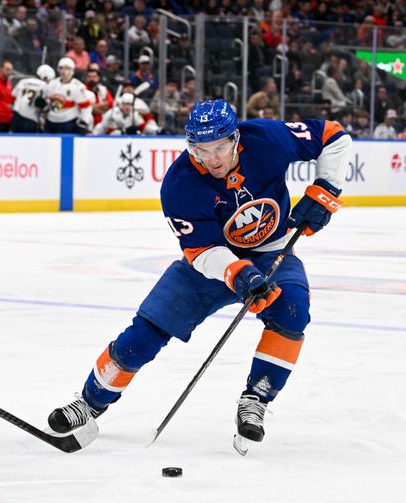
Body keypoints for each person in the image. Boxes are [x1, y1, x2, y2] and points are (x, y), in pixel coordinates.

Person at [47, 100, 352, 456]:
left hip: (273, 250)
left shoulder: (267, 138)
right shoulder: (180, 185)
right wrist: (236, 272)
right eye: (201, 150)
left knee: (293, 310)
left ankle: (256, 399)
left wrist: (326, 189)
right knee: (146, 331)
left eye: (220, 147)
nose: (213, 159)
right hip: (211, 261)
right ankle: (89, 402)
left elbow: (333, 136)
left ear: (236, 138)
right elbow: (200, 251)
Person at [45, 57, 91, 134]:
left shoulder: (77, 86)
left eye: (67, 68)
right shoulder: (52, 84)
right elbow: (47, 101)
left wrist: (84, 121)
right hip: (51, 120)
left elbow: (85, 107)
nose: (63, 71)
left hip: (68, 121)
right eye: (61, 68)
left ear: (72, 71)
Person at [11, 64, 53, 133]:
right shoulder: (45, 87)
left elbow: (13, 96)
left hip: (17, 116)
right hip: (31, 118)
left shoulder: (23, 81)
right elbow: (45, 107)